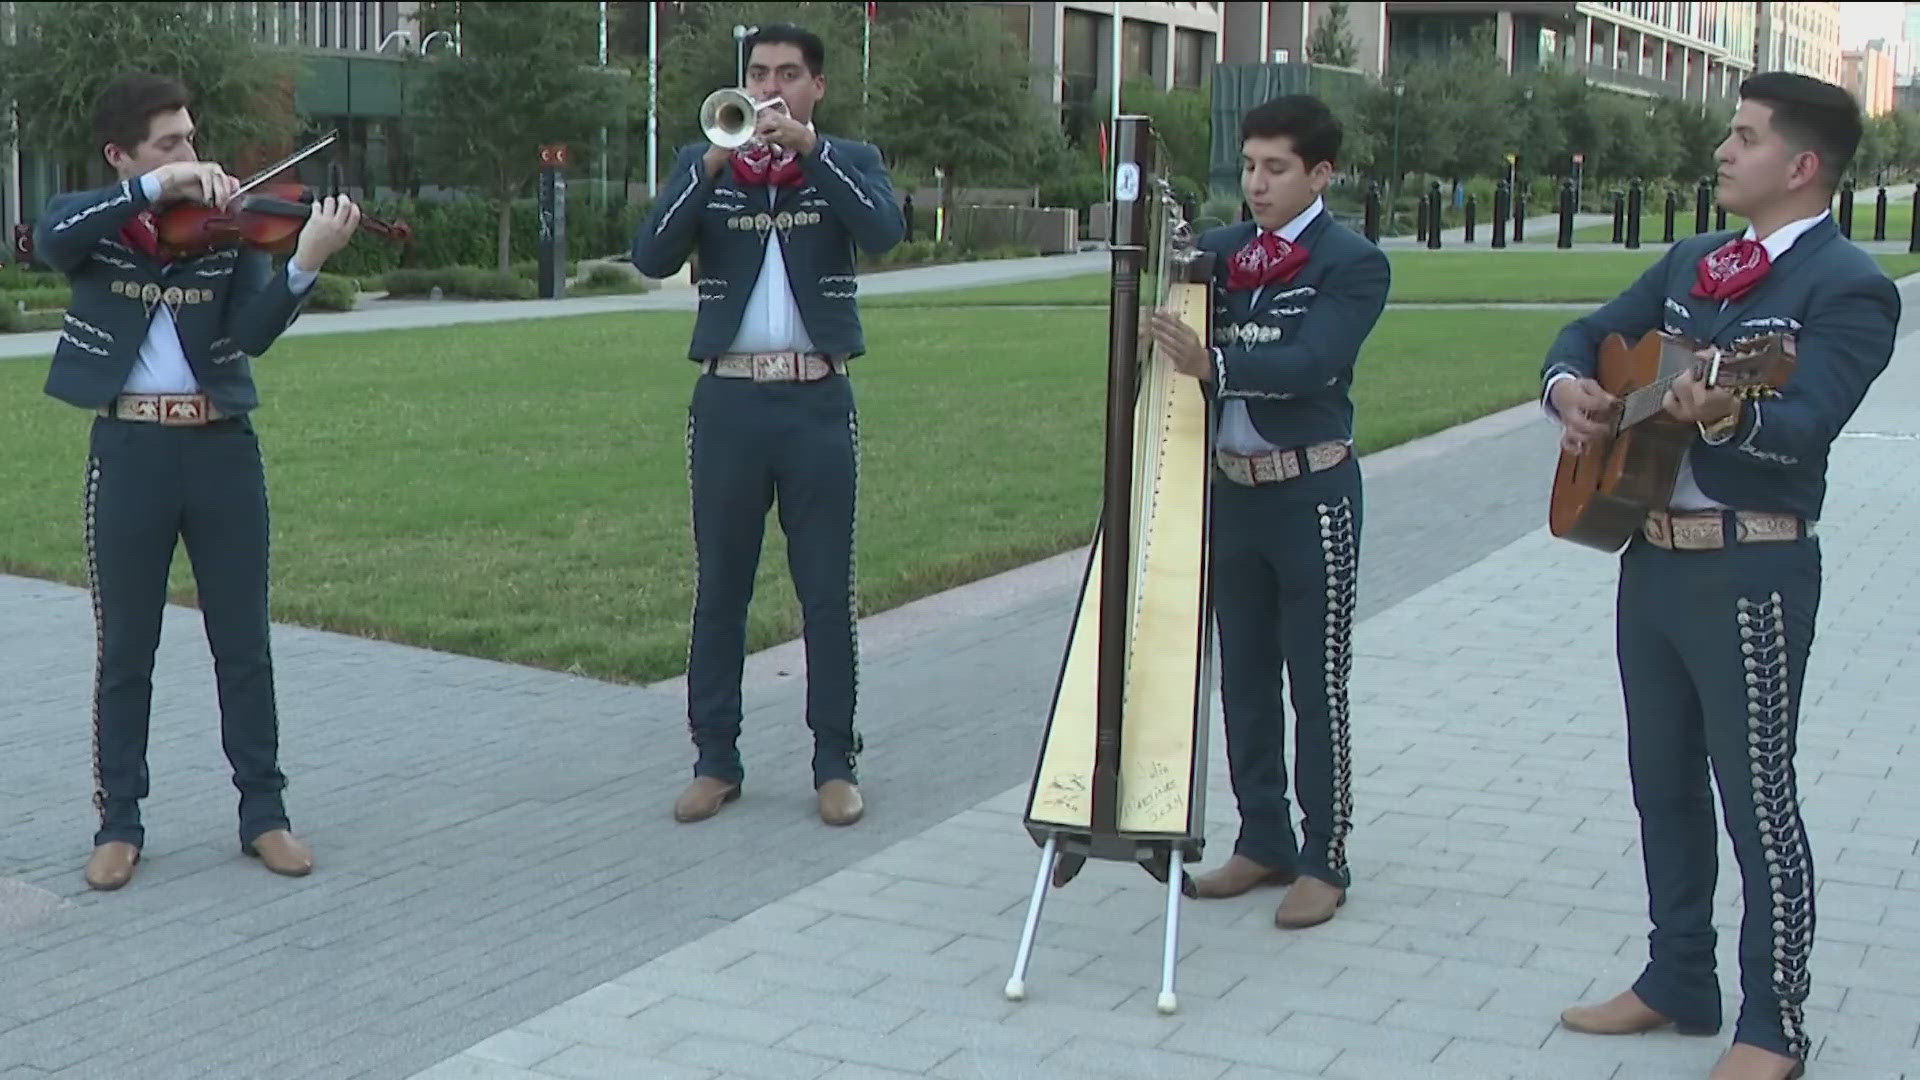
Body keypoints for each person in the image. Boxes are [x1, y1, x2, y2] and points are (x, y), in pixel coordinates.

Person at [1545, 73, 1897, 1080]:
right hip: (1648, 555)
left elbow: (1804, 424)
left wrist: (1729, 411)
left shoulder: (1848, 286)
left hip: (1752, 569)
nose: (1723, 151)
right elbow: (1585, 337)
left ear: (1802, 165)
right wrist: (1570, 388)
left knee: (1756, 799)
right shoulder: (1694, 260)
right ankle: (1677, 978)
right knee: (1660, 782)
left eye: (1744, 137)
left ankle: (1773, 1026)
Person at [34, 72, 361, 891]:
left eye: (190, 137)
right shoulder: (94, 224)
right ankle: (119, 822)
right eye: (169, 143)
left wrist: (304, 264)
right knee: (126, 649)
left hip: (220, 449)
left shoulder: (224, 227)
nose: (191, 154)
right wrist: (157, 189)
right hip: (130, 449)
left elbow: (251, 332)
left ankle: (265, 814)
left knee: (243, 643)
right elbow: (50, 238)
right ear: (122, 156)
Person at [632, 24, 903, 827]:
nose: (770, 88)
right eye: (758, 73)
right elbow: (650, 255)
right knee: (721, 587)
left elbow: (883, 232)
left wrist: (813, 153)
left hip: (816, 399)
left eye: (788, 74)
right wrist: (713, 164)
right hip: (730, 401)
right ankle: (715, 760)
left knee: (825, 590)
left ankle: (834, 763)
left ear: (816, 87)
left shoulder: (848, 160)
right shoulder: (707, 163)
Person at [1148, 95, 1390, 930]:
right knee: (1244, 677)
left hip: (1310, 492)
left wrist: (1210, 362)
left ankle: (1326, 856)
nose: (1256, 183)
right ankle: (1262, 838)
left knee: (1315, 681)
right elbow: (1171, 321)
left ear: (1320, 174)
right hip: (1234, 492)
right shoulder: (1218, 255)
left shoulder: (1352, 262)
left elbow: (1313, 362)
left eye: (1276, 168)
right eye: (1249, 165)